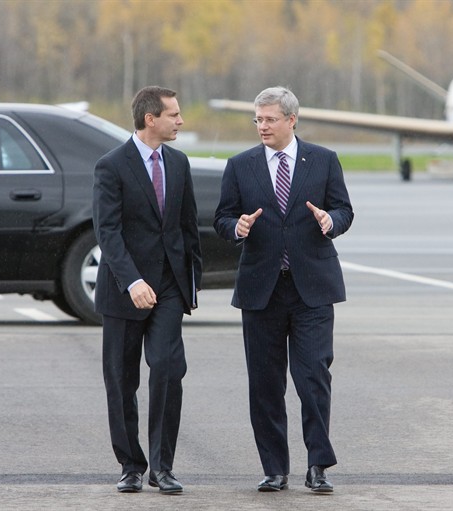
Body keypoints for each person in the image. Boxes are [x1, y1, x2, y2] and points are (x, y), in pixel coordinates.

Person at [214, 86, 354, 493]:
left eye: (270, 119)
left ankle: (318, 466)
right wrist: (236, 228)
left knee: (312, 377)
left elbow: (344, 209)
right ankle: (274, 468)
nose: (262, 127)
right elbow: (222, 216)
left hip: (312, 288)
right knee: (265, 383)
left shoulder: (324, 161)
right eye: (257, 120)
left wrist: (331, 221)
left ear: (292, 120)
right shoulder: (241, 166)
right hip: (262, 290)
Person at [92, 86, 202, 494]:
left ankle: (162, 466)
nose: (180, 120)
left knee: (170, 369)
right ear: (150, 119)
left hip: (170, 285)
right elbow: (108, 231)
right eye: (174, 114)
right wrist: (132, 280)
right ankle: (131, 465)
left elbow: (187, 226)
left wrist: (192, 282)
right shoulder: (111, 166)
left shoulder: (179, 163)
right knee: (122, 380)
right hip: (125, 289)